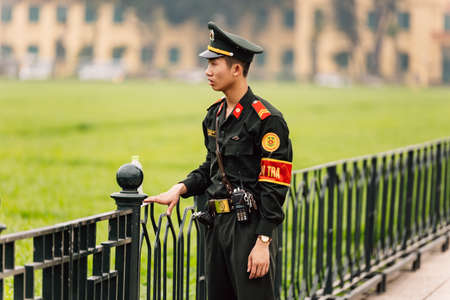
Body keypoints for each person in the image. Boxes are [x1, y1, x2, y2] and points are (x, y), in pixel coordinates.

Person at [144, 21, 293, 300]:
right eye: (208, 64)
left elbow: (275, 185)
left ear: (237, 69)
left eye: (215, 64)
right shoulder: (214, 116)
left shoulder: (266, 120)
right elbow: (210, 168)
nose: (207, 72)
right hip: (216, 226)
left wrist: (263, 241)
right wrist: (180, 188)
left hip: (249, 228)